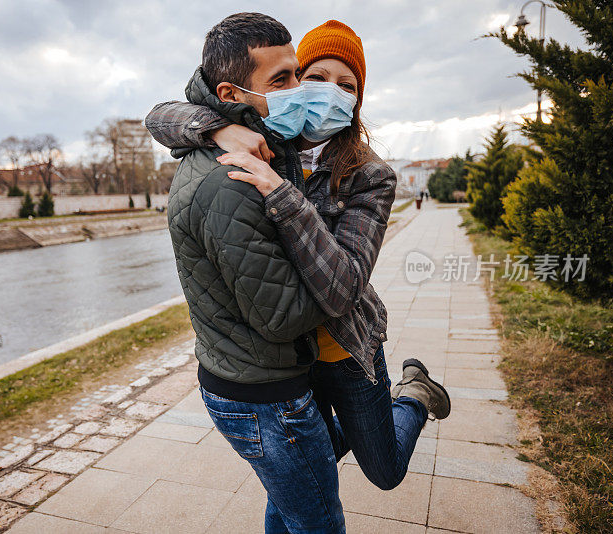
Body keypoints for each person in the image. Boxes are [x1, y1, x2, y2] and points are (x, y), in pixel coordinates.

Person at [146, 17, 451, 498]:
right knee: (299, 481)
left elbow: (344, 286)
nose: (330, 92)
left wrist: (283, 197)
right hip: (290, 361)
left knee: (384, 471)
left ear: (357, 100)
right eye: (315, 78)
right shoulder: (270, 135)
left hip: (345, 348)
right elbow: (162, 115)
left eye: (346, 85)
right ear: (292, 83)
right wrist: (217, 131)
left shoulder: (370, 176)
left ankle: (414, 393)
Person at [162, 13, 345, 533]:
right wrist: (341, 275)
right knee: (319, 523)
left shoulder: (259, 144)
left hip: (258, 379)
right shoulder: (232, 181)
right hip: (268, 397)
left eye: (298, 73)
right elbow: (284, 317)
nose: (299, 90)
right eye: (281, 80)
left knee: (289, 512)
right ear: (231, 92)